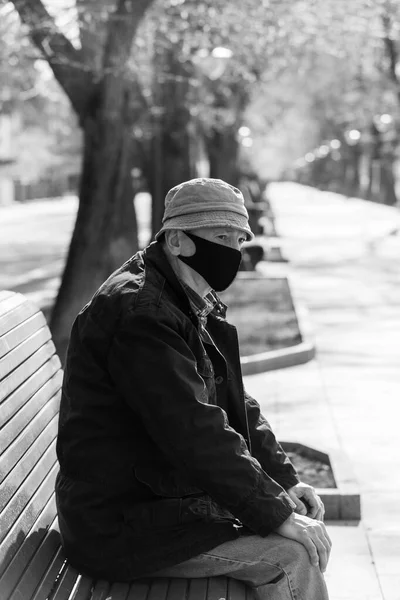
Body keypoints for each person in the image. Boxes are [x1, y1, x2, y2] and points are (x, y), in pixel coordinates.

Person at [55, 177, 331, 599]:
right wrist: (274, 512)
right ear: (179, 241)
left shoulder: (184, 295)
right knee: (292, 556)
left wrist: (282, 481)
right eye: (220, 236)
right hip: (121, 524)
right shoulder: (142, 314)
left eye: (239, 238)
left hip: (156, 502)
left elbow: (232, 400)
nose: (232, 252)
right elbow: (193, 429)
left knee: (295, 530)